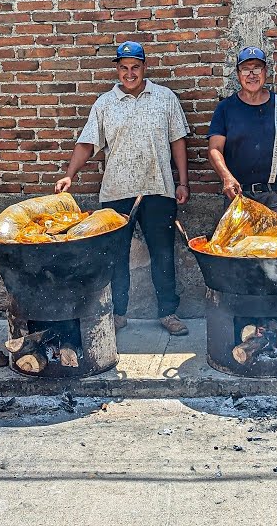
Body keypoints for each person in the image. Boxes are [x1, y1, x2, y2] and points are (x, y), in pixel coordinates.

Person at [56, 41, 192, 336]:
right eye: (123, 68)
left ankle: (168, 313)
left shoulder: (164, 98)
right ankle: (117, 314)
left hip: (158, 189)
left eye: (135, 67)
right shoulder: (105, 104)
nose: (129, 73)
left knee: (163, 254)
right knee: (114, 256)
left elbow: (177, 141)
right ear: (117, 70)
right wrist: (70, 175)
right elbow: (88, 144)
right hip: (117, 191)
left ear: (145, 67)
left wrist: (182, 181)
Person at [206, 46, 277, 230]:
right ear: (238, 74)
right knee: (239, 253)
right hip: (239, 198)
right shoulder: (226, 108)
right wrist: (227, 178)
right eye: (246, 69)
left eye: (257, 68)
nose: (251, 74)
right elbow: (215, 149)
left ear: (265, 72)